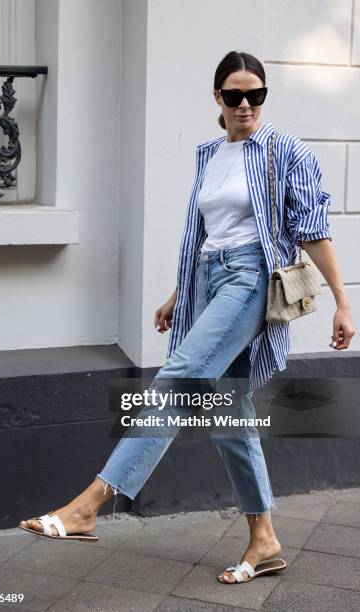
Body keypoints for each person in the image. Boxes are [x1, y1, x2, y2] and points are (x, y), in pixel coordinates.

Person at [19, 51, 355, 585]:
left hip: (250, 278)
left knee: (181, 376)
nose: (247, 105)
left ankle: (90, 504)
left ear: (264, 97)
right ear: (217, 98)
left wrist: (342, 300)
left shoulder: (285, 151)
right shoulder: (208, 154)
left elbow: (312, 227)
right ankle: (264, 540)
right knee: (227, 412)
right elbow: (204, 233)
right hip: (208, 279)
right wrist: (182, 292)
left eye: (257, 95)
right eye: (235, 95)